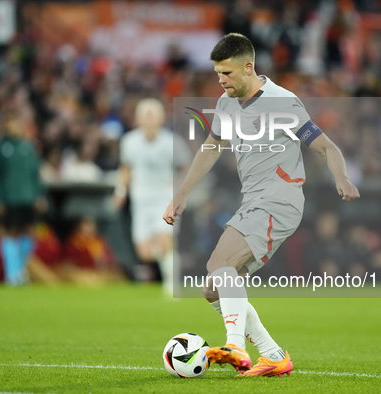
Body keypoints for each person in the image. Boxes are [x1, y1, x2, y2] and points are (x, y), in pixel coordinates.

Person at [163, 33, 360, 377]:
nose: (221, 80)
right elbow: (211, 147)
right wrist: (182, 192)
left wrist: (340, 177)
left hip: (280, 199)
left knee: (220, 261)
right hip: (253, 201)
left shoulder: (283, 102)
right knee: (214, 287)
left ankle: (235, 346)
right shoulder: (225, 104)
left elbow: (327, 147)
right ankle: (272, 355)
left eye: (226, 73)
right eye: (217, 73)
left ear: (248, 67)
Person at [115, 98, 190, 293]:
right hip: (141, 200)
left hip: (165, 199)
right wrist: (120, 191)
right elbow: (126, 169)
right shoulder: (129, 142)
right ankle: (169, 266)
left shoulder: (171, 142)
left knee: (165, 241)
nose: (148, 121)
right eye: (144, 116)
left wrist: (180, 187)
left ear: (161, 118)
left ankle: (171, 283)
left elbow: (186, 167)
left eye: (152, 116)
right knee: (145, 252)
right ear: (138, 119)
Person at [0, 113, 47, 285]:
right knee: (9, 233)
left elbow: (35, 175)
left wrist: (39, 195)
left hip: (28, 198)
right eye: (10, 123)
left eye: (16, 123)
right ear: (5, 126)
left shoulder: (28, 147)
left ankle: (21, 270)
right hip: (9, 199)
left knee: (29, 233)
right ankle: (11, 273)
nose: (14, 127)